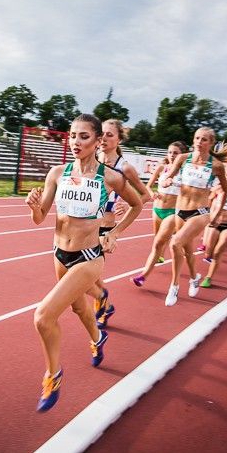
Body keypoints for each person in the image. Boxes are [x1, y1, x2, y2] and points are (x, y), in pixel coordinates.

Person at [25, 114, 142, 412]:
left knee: (43, 317)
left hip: (89, 257)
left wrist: (114, 232)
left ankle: (53, 375)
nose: (75, 142)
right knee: (79, 309)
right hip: (59, 254)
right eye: (72, 135)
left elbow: (138, 203)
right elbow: (40, 218)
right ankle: (98, 337)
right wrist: (34, 207)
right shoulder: (57, 173)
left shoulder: (110, 177)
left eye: (84, 136)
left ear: (97, 140)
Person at [158, 127, 227, 305]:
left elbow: (225, 191)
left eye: (204, 139)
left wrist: (217, 213)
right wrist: (167, 180)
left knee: (175, 243)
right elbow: (167, 177)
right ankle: (194, 277)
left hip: (200, 212)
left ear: (211, 143)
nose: (199, 142)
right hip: (180, 211)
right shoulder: (182, 158)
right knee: (186, 251)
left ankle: (174, 286)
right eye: (197, 138)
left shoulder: (216, 166)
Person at [90, 119, 150, 328]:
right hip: (85, 225)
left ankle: (103, 305)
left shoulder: (124, 167)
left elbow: (146, 195)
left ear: (119, 140)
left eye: (110, 135)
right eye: (102, 134)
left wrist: (124, 208)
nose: (104, 138)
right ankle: (105, 304)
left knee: (88, 274)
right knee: (85, 274)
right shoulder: (92, 158)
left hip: (105, 228)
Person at [131, 141, 188, 286]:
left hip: (172, 212)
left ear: (182, 155)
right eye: (170, 152)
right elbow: (148, 186)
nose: (172, 155)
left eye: (175, 153)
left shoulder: (185, 172)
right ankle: (162, 255)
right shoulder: (162, 168)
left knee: (157, 243)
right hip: (156, 210)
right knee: (157, 240)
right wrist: (153, 193)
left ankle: (143, 276)